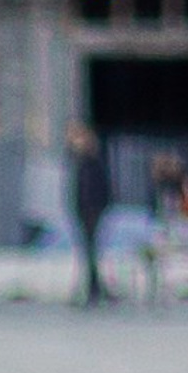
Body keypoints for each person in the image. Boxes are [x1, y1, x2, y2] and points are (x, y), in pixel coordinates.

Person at [66, 122, 110, 308]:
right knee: (87, 252)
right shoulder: (80, 163)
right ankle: (94, 287)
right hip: (84, 211)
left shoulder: (93, 163)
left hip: (92, 211)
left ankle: (94, 288)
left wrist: (97, 208)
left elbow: (100, 189)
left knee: (90, 252)